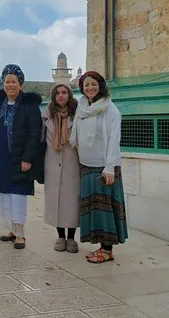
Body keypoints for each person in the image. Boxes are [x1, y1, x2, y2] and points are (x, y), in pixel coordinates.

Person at [0, 64, 44, 250]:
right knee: (4, 195)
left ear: (21, 84)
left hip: (18, 158)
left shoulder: (30, 106)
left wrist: (28, 158)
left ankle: (21, 234)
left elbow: (35, 134)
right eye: (7, 81)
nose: (10, 85)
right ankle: (12, 229)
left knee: (18, 195)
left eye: (14, 82)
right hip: (0, 158)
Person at [71, 71, 127, 264]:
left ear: (100, 85)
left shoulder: (110, 109)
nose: (90, 88)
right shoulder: (83, 107)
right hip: (86, 165)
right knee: (93, 209)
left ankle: (107, 251)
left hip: (104, 167)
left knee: (105, 210)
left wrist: (110, 167)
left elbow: (113, 140)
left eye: (93, 84)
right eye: (86, 85)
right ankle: (102, 247)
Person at [42, 83, 80, 253]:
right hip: (52, 163)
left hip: (72, 164)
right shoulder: (47, 116)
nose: (61, 96)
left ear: (69, 95)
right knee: (56, 201)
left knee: (71, 202)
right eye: (57, 93)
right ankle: (60, 236)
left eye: (64, 92)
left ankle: (71, 238)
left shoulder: (78, 116)